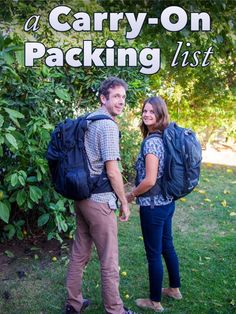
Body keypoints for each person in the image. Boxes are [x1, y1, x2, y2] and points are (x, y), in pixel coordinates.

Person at [65, 77, 137, 314]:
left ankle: (74, 304)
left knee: (79, 253)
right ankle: (115, 310)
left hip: (82, 197)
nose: (121, 102)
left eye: (123, 97)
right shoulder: (107, 125)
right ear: (103, 98)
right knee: (109, 260)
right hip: (100, 202)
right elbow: (113, 171)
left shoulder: (86, 120)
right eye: (116, 96)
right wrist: (124, 203)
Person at [126, 96, 182, 312]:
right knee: (167, 246)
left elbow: (149, 180)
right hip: (167, 203)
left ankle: (154, 301)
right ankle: (174, 289)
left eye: (152, 111)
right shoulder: (166, 137)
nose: (147, 114)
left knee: (154, 253)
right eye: (144, 111)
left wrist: (131, 196)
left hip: (153, 207)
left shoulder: (152, 142)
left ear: (161, 114)